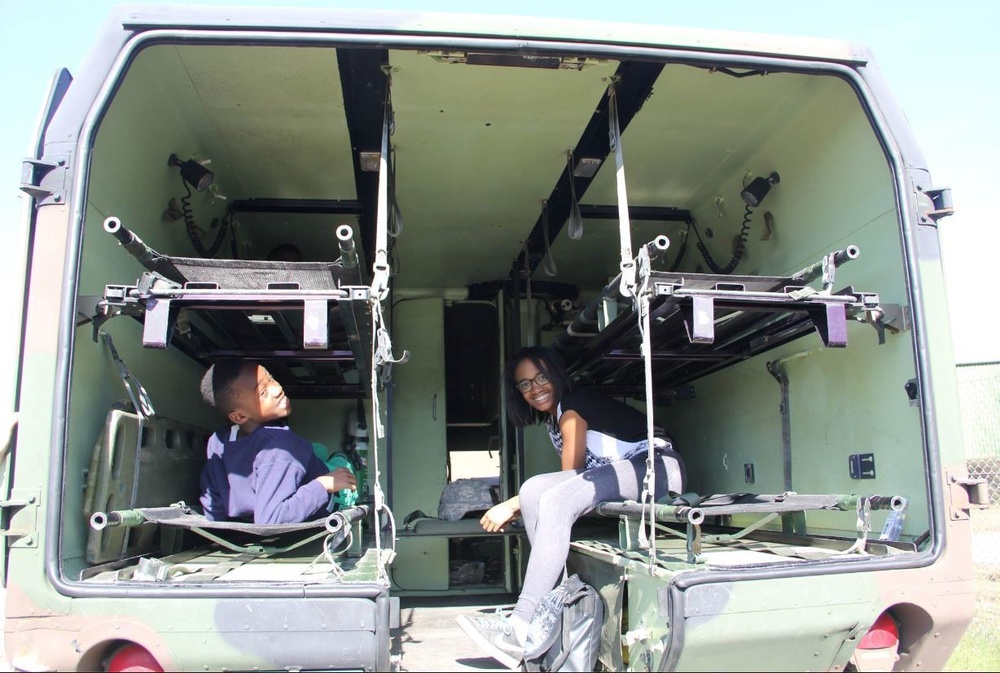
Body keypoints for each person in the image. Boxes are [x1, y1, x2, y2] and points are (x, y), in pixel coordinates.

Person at [456, 345, 685, 669]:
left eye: (541, 377)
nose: (535, 388)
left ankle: (521, 625)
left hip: (658, 469)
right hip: (625, 475)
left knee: (552, 496)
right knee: (533, 489)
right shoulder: (555, 419)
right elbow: (562, 483)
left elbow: (568, 479)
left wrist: (510, 506)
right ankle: (555, 612)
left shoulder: (573, 407)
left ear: (556, 376)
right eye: (525, 384)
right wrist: (521, 499)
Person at [198, 359, 356, 524]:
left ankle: (320, 455)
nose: (278, 388)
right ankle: (341, 457)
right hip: (334, 492)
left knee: (318, 449)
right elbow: (271, 520)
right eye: (263, 392)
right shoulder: (281, 447)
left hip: (300, 464)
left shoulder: (218, 441)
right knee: (341, 463)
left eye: (271, 378)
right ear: (239, 416)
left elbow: (212, 503)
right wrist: (323, 485)